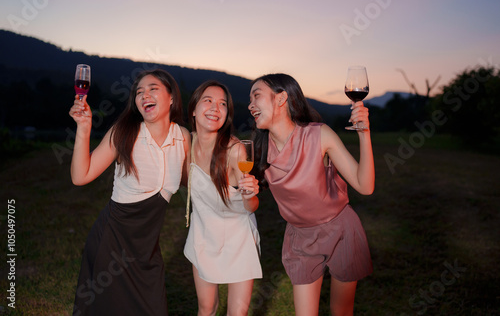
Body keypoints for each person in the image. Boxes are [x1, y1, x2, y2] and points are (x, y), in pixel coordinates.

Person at [248, 73, 375, 316]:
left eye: (256, 96)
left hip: (341, 230)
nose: (250, 104)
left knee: (341, 311)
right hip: (300, 238)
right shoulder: (259, 150)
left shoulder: (319, 135)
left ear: (281, 98)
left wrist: (364, 133)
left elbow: (365, 185)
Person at [69, 69, 190, 315]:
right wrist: (84, 128)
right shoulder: (124, 133)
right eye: (138, 92)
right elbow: (80, 176)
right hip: (112, 243)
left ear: (172, 98)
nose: (144, 94)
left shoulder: (183, 138)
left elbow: (192, 183)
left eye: (153, 88)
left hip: (147, 250)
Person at [183, 80, 262, 316]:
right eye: (208, 100)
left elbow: (251, 207)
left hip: (237, 238)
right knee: (206, 308)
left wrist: (250, 194)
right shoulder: (186, 142)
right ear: (194, 108)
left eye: (222, 104)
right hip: (203, 233)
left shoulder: (234, 150)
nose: (215, 108)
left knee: (237, 313)